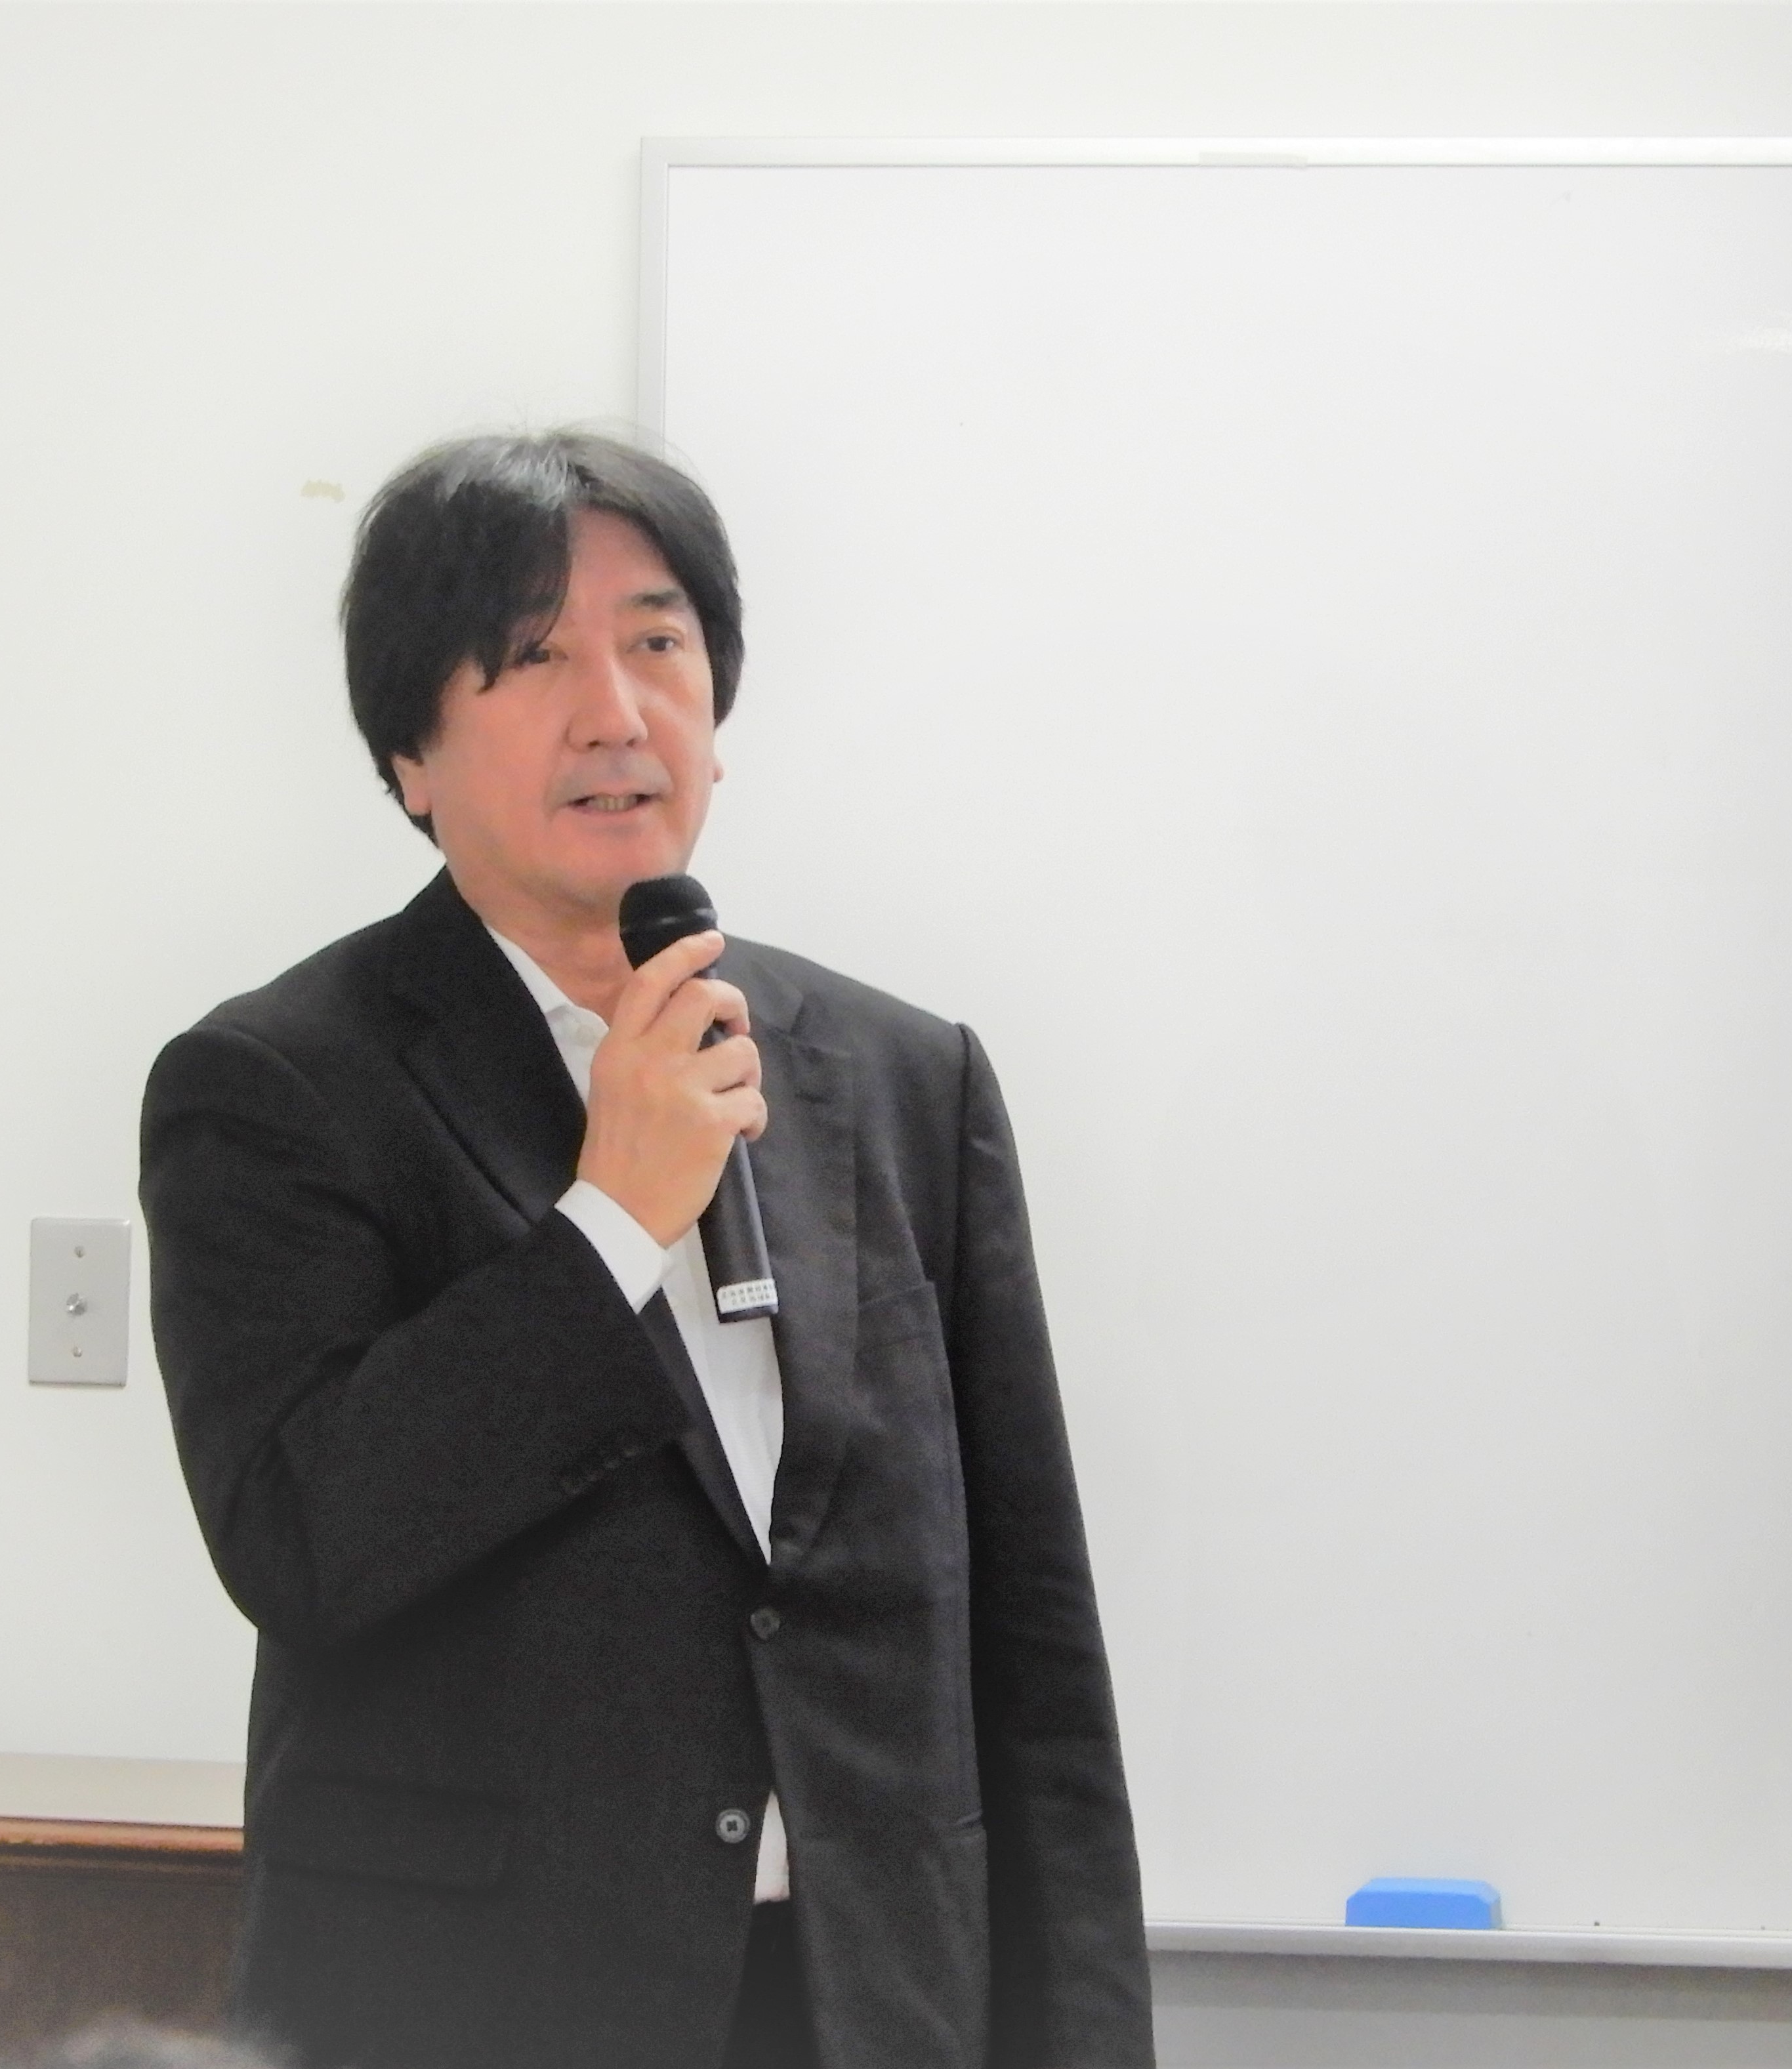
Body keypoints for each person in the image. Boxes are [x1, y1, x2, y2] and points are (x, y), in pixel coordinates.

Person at [139, 430, 1152, 2069]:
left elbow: (1033, 1648)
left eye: (657, 642)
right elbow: (306, 1540)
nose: (614, 710)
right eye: (534, 655)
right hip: (478, 2010)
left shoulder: (902, 1076)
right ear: (409, 752)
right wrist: (609, 1220)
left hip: (869, 1995)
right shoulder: (276, 1085)